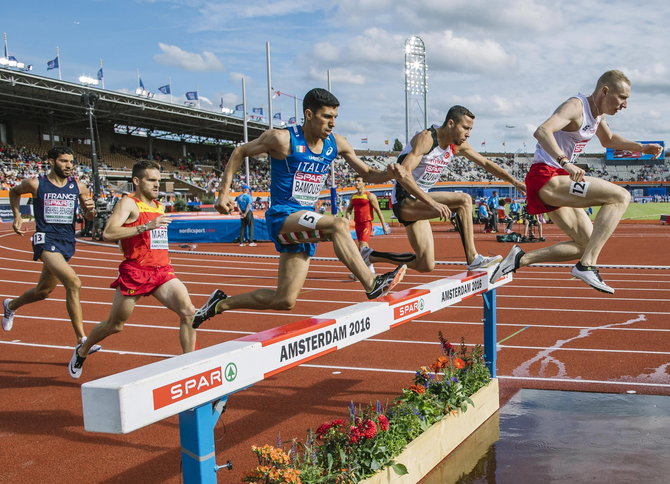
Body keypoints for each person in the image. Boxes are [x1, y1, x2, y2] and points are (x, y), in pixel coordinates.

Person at [191, 88, 409, 329]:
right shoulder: (282, 139)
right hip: (283, 216)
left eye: (335, 117)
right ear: (308, 114)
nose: (332, 123)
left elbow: (368, 173)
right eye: (327, 117)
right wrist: (223, 192)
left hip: (305, 222)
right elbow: (240, 151)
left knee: (284, 299)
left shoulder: (336, 144)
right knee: (338, 224)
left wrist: (388, 174)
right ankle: (371, 283)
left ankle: (219, 305)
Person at [491, 70, 663, 293]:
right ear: (604, 91)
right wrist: (566, 162)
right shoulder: (576, 106)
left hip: (559, 180)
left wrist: (642, 148)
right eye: (622, 97)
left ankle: (520, 259)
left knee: (586, 244)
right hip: (547, 176)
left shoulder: (597, 115)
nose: (625, 105)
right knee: (621, 196)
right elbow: (542, 131)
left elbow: (608, 140)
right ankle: (587, 266)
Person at [68, 160, 197, 378]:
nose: (157, 185)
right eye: (151, 180)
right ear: (137, 181)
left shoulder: (159, 206)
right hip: (136, 272)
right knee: (115, 325)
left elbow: (153, 239)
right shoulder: (128, 203)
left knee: (189, 313)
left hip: (162, 271)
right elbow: (108, 233)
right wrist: (145, 226)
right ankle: (82, 349)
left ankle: (189, 367)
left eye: (159, 180)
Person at [366, 105, 526, 274]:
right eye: (465, 128)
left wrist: (515, 182)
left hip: (421, 201)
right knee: (464, 200)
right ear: (451, 123)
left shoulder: (457, 145)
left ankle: (370, 256)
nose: (468, 133)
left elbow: (486, 163)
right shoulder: (427, 139)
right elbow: (403, 175)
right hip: (405, 200)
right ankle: (473, 259)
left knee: (425, 264)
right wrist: (432, 203)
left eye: (470, 129)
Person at [2, 146, 100, 350]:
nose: (69, 166)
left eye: (71, 162)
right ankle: (82, 340)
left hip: (67, 241)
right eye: (64, 161)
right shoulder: (36, 183)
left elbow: (89, 217)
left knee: (42, 292)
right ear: (51, 161)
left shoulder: (78, 186)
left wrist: (91, 211)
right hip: (45, 239)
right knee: (73, 282)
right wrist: (17, 216)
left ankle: (10, 306)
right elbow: (14, 192)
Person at [345, 176, 390, 270]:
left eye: (358, 181)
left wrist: (384, 226)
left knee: (362, 245)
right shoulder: (353, 196)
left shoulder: (370, 195)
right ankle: (370, 269)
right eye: (355, 181)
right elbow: (349, 209)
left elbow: (378, 211)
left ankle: (360, 271)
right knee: (363, 248)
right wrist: (348, 218)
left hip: (366, 223)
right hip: (357, 224)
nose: (356, 183)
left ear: (364, 183)